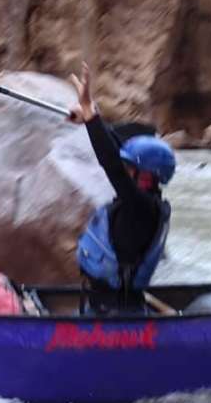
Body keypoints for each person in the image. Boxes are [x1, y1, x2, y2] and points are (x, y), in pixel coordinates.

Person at [67, 63, 175, 315]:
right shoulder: (142, 201)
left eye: (130, 167)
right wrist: (90, 115)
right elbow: (117, 153)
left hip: (117, 315)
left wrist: (92, 118)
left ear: (146, 174)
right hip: (105, 306)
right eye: (126, 166)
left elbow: (112, 164)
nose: (125, 169)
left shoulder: (141, 207)